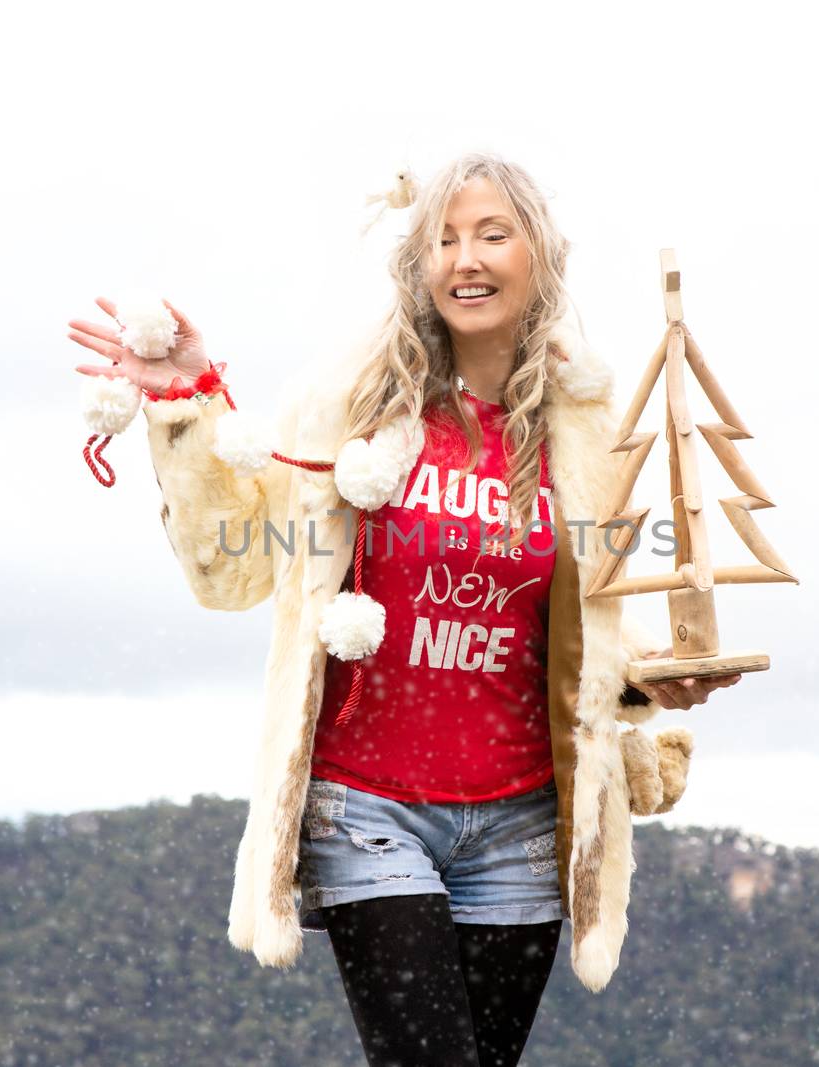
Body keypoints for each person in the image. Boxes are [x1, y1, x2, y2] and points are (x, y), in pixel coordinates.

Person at [69, 152, 742, 1066]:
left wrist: (663, 677)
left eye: (492, 234)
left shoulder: (587, 424)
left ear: (539, 255)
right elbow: (231, 572)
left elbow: (586, 626)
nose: (465, 258)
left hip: (524, 827)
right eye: (443, 239)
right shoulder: (350, 404)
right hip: (368, 807)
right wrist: (189, 404)